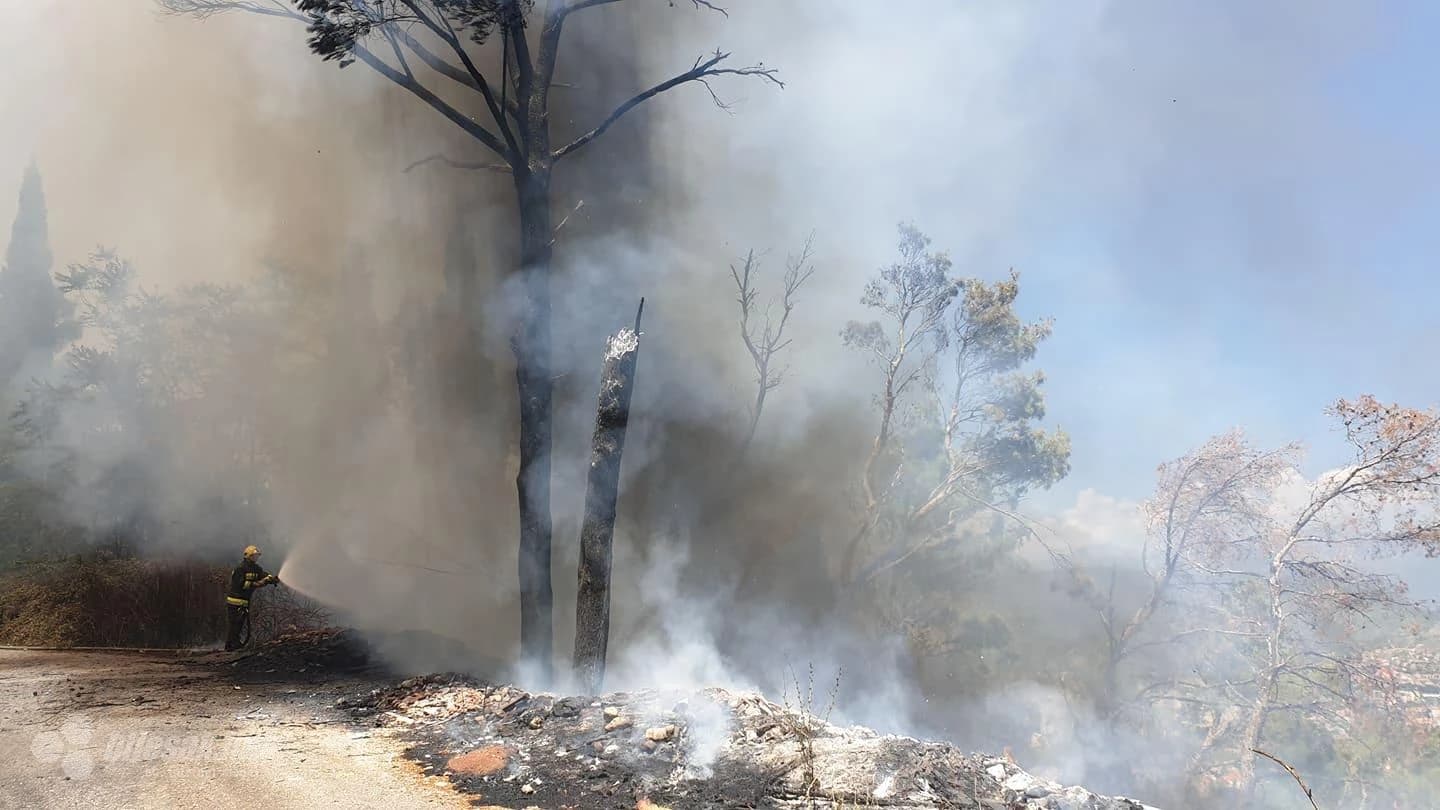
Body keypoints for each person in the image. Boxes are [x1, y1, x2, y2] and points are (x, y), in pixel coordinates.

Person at [225, 545, 278, 651]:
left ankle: (234, 644)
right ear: (248, 556)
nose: (256, 557)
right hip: (235, 601)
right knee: (235, 623)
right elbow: (241, 585)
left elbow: (263, 575)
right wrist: (259, 583)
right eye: (254, 555)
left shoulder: (256, 568)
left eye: (257, 556)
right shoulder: (240, 568)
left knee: (240, 624)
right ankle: (231, 646)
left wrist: (272, 579)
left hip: (244, 602)